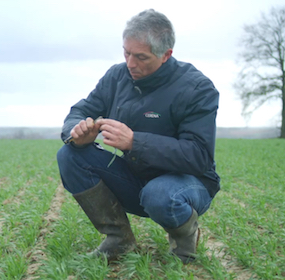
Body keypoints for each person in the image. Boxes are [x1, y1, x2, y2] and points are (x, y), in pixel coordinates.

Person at [56, 9, 220, 264]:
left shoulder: (197, 88)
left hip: (188, 184)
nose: (131, 63)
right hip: (137, 177)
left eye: (141, 57)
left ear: (166, 55)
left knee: (159, 194)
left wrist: (135, 142)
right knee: (70, 154)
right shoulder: (116, 76)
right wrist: (77, 131)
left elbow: (199, 156)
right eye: (126, 52)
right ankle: (119, 240)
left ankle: (185, 239)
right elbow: (80, 111)